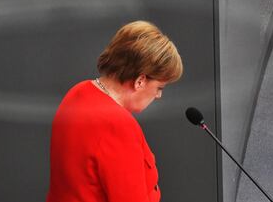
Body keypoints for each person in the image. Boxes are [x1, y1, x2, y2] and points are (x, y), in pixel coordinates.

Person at [46, 20, 183, 202]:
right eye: (160, 87)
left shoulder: (77, 92)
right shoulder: (118, 126)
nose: (158, 95)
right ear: (140, 81)